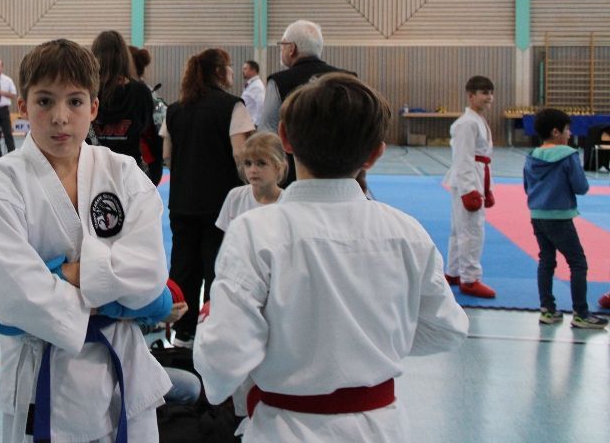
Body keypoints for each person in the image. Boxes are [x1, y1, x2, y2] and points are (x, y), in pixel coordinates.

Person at [194, 73, 469, 442]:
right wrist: (373, 338)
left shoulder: (257, 232)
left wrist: (219, 328)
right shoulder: (406, 233)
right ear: (375, 154)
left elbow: (224, 357)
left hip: (284, 429)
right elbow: (447, 329)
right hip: (382, 429)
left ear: (285, 139)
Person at [0, 39, 172, 442]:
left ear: (94, 108)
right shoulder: (3, 182)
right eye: (45, 101)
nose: (60, 117)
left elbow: (149, 274)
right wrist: (116, 296)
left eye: (75, 102)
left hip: (123, 370)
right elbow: (9, 293)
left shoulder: (125, 174)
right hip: (42, 377)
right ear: (23, 106)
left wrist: (63, 274)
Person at [161, 48, 255, 347]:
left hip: (182, 201)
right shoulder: (233, 106)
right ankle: (214, 328)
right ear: (218, 71)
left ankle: (183, 332)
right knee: (218, 265)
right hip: (220, 203)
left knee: (183, 266)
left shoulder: (175, 109)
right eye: (230, 66)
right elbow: (240, 154)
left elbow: (167, 156)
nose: (233, 72)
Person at [524, 108, 608, 329]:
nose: (570, 134)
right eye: (567, 130)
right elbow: (581, 187)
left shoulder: (531, 156)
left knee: (546, 261)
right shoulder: (568, 156)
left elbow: (526, 186)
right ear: (556, 132)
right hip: (559, 217)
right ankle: (581, 313)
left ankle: (547, 310)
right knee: (578, 263)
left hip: (537, 215)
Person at [259, 21, 351, 187]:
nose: (281, 50)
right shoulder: (348, 79)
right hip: (341, 173)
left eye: (282, 45)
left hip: (293, 175)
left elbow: (267, 132)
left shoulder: (279, 82)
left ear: (292, 48)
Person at [444, 75, 497, 299]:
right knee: (472, 231)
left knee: (460, 229)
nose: (489, 97)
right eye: (484, 93)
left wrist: (488, 188)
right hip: (468, 180)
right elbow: (463, 159)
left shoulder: (477, 120)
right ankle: (470, 278)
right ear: (471, 96)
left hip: (477, 177)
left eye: (491, 93)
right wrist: (469, 190)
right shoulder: (467, 123)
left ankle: (454, 272)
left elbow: (481, 159)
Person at [91, 30, 155, 169]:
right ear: (124, 57)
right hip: (129, 166)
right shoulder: (140, 92)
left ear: (94, 57)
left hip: (94, 167)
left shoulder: (88, 92)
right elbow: (146, 128)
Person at [215, 132, 286, 234]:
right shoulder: (235, 196)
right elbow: (227, 238)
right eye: (248, 163)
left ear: (277, 167)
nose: (253, 170)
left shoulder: (286, 203)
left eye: (261, 163)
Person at [130, 45, 164, 186]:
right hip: (146, 161)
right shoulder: (149, 93)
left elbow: (160, 127)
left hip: (144, 162)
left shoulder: (146, 94)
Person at [241, 60, 266, 126]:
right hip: (247, 123)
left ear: (253, 70)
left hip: (252, 125)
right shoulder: (251, 84)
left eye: (245, 69)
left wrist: (255, 124)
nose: (243, 71)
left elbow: (261, 105)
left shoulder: (257, 86)